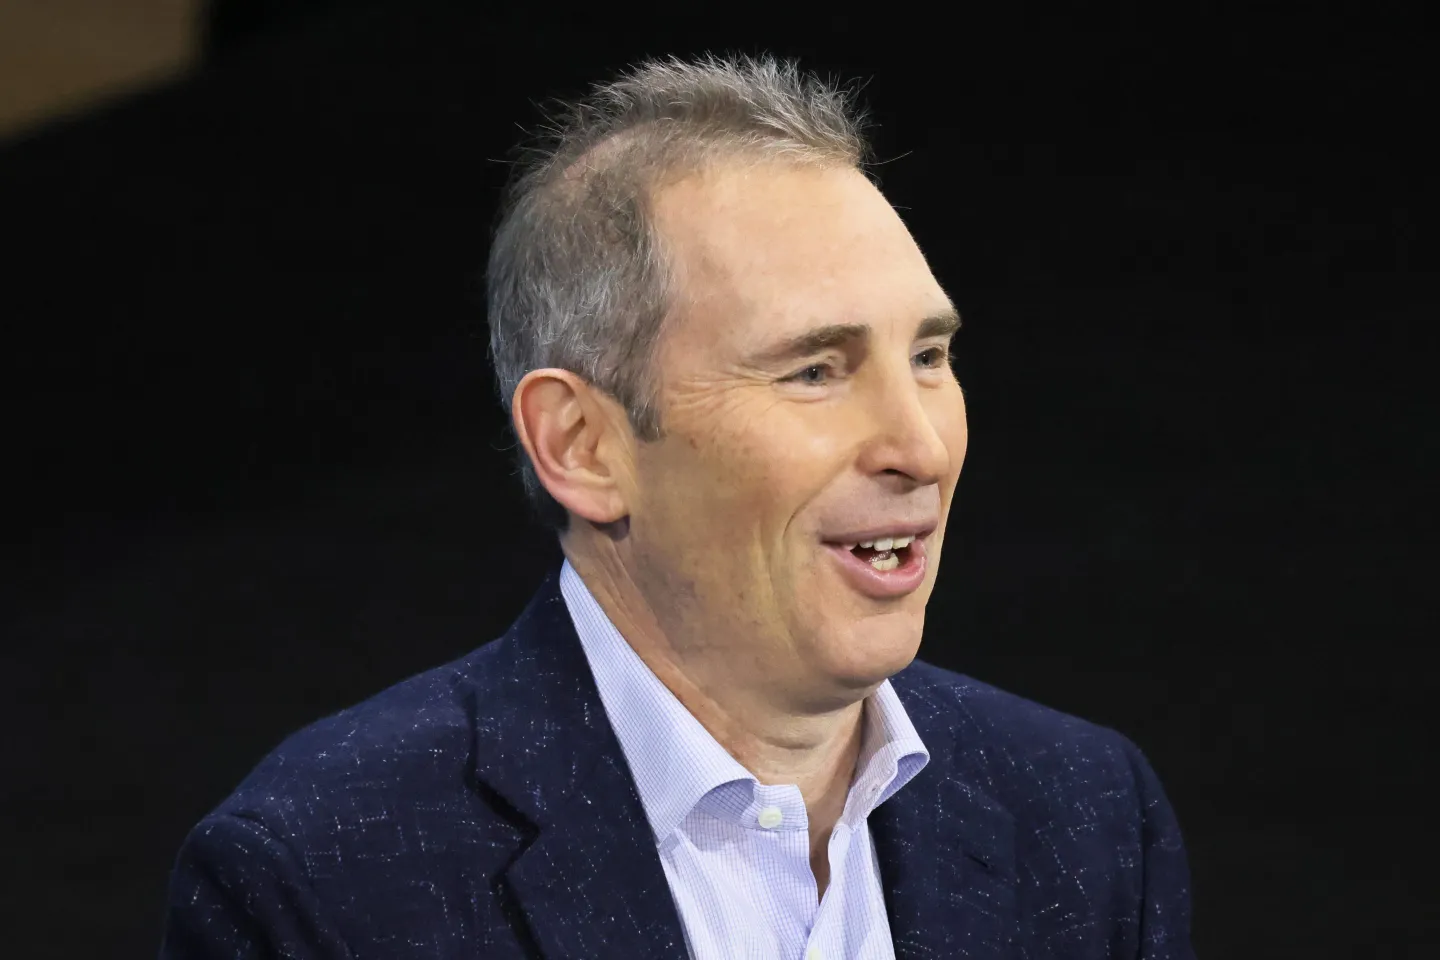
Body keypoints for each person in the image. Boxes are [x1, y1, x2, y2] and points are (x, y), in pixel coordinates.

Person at [160, 54, 1194, 959]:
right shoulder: (323, 874)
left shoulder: (1084, 813)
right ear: (583, 446)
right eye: (815, 371)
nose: (920, 446)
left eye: (929, 355)